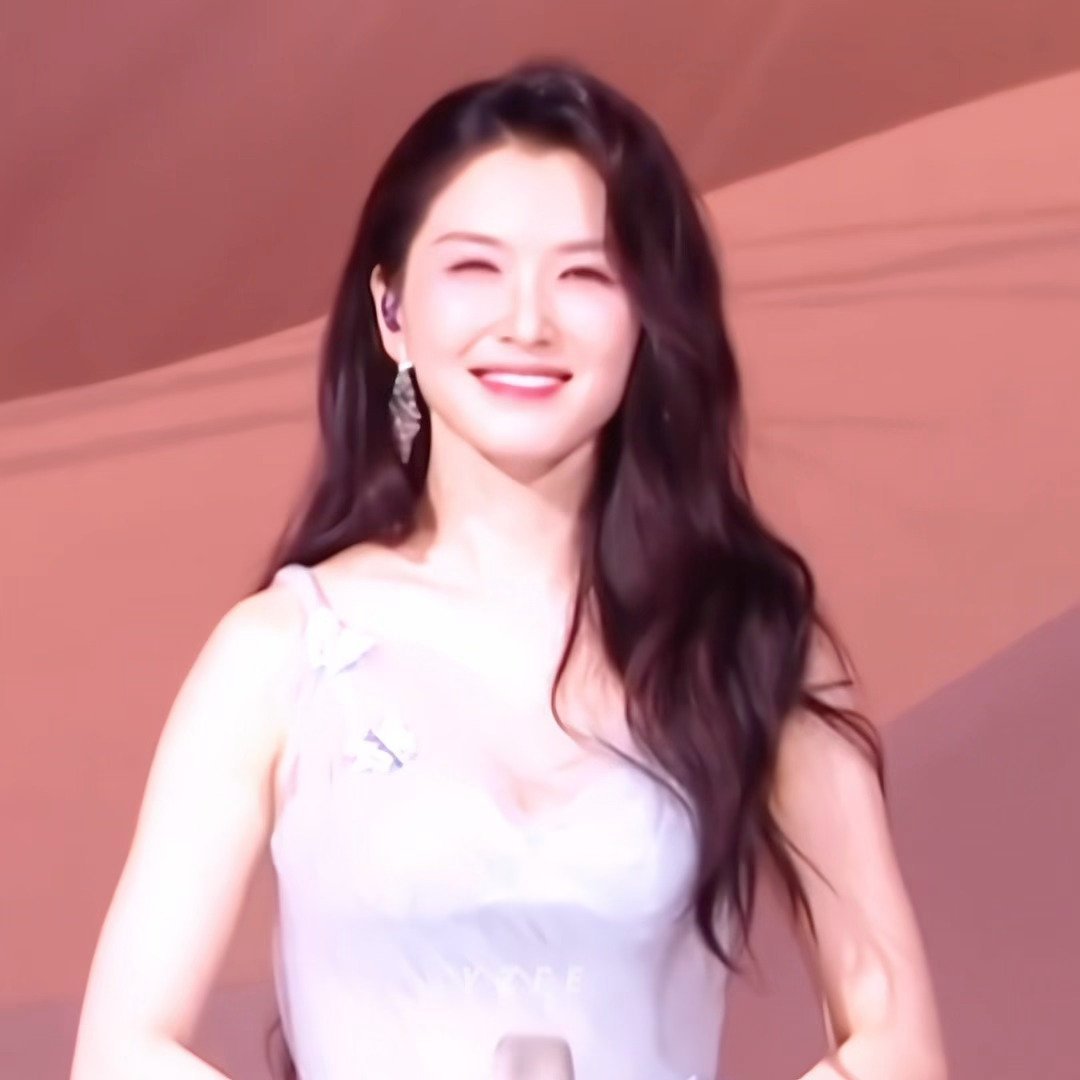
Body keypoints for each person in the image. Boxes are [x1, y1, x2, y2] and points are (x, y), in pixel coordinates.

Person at [70, 57, 946, 1080]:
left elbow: (896, 1040)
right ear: (393, 313)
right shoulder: (280, 653)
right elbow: (124, 1051)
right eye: (475, 270)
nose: (527, 322)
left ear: (647, 316)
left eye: (585, 275)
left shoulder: (743, 639)